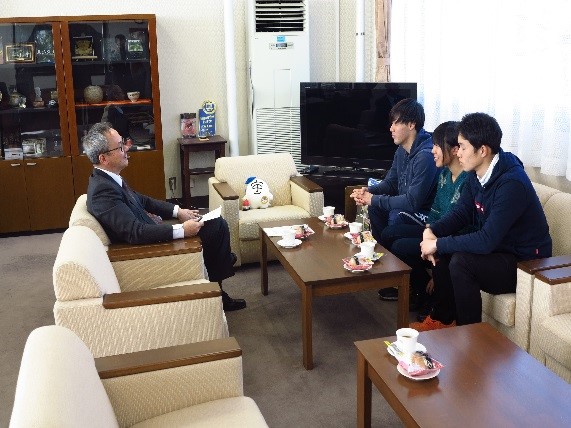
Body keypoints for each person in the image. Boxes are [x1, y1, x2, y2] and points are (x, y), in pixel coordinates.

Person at [83, 122, 246, 311]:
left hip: (151, 231)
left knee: (213, 224)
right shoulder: (103, 191)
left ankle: (220, 270)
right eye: (120, 147)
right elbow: (135, 232)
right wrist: (182, 230)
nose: (127, 148)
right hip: (147, 248)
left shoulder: (108, 180)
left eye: (124, 143)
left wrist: (178, 211)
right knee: (216, 227)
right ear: (103, 158)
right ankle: (220, 277)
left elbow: (142, 200)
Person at [414, 112, 552, 331]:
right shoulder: (476, 173)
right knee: (444, 254)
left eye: (462, 147)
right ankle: (444, 320)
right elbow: (461, 213)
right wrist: (432, 230)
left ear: (483, 150)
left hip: (525, 263)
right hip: (501, 251)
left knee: (461, 262)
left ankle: (470, 337)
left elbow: (487, 240)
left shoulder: (511, 184)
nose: (458, 152)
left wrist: (438, 243)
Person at [380, 121, 470, 320]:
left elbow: (461, 227)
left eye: (437, 146)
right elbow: (435, 212)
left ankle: (426, 295)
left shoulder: (468, 181)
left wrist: (433, 245)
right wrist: (428, 234)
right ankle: (420, 287)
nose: (433, 151)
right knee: (389, 234)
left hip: (451, 240)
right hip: (435, 231)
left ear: (455, 150)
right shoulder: (445, 174)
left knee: (401, 246)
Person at [350, 98, 439, 300]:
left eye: (396, 123)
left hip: (425, 216)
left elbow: (413, 202)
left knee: (392, 225)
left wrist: (373, 199)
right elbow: (391, 183)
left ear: (411, 124)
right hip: (411, 210)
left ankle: (414, 285)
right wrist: (367, 192)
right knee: (375, 209)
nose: (391, 128)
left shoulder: (425, 156)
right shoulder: (402, 150)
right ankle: (393, 275)